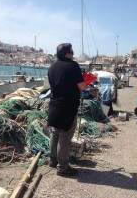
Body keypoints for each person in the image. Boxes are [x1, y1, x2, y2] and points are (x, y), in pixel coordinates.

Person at [47, 43, 87, 176]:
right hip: (68, 106)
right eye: (72, 51)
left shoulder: (52, 67)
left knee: (55, 134)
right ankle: (63, 167)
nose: (73, 53)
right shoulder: (73, 65)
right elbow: (82, 87)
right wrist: (88, 81)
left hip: (54, 105)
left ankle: (52, 160)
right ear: (67, 54)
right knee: (65, 136)